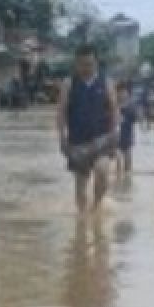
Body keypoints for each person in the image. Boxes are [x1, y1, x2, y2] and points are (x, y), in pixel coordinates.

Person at [57, 45, 119, 213]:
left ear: (96, 63)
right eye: (82, 64)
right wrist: (62, 137)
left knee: (102, 172)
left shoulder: (106, 81)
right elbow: (61, 111)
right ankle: (82, 220)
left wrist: (115, 132)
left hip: (102, 138)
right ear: (76, 64)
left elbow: (114, 108)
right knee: (81, 185)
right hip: (78, 141)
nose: (86, 68)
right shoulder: (69, 83)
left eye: (90, 64)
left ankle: (96, 206)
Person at [116, 83, 138, 175]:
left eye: (124, 92)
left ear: (128, 93)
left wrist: (124, 115)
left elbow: (135, 118)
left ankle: (127, 176)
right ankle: (119, 175)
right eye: (120, 92)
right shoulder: (113, 104)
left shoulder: (131, 105)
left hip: (127, 134)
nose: (122, 94)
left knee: (127, 156)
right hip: (115, 135)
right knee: (117, 157)